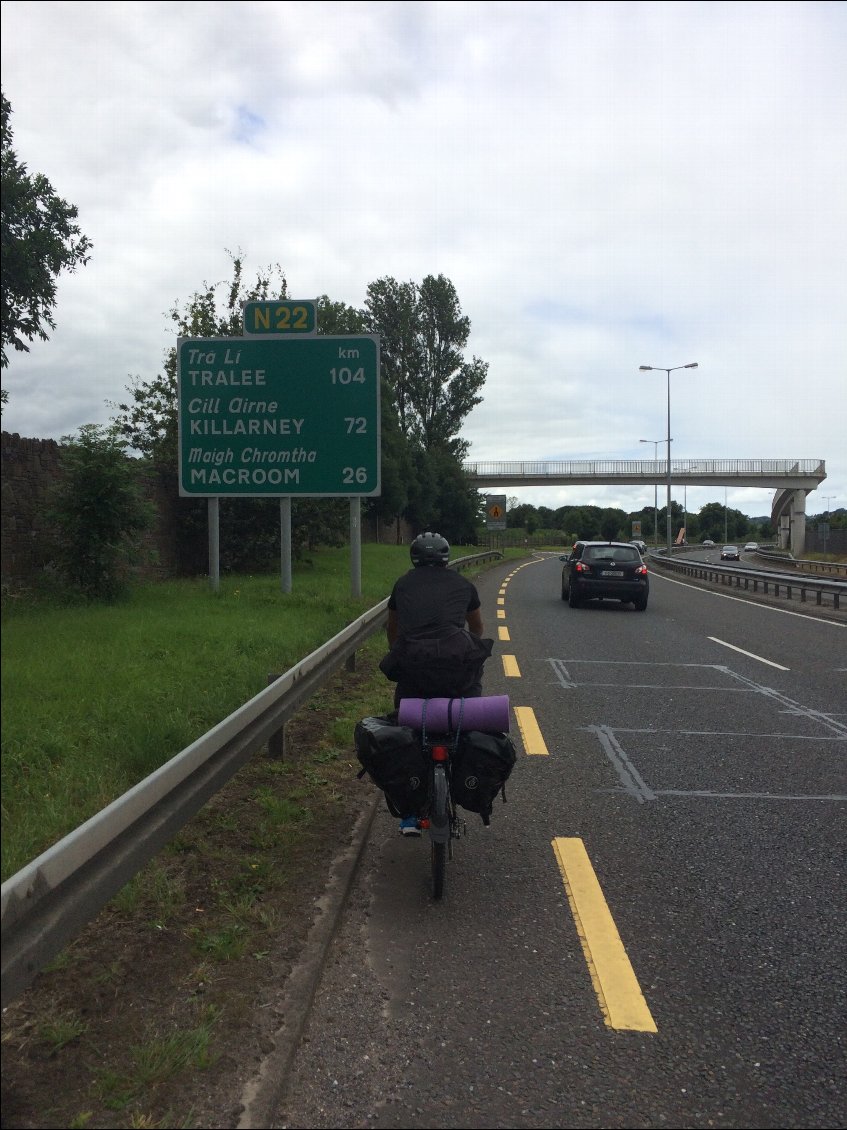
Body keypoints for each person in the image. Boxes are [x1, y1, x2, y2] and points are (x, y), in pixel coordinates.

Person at [381, 531, 492, 836]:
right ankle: (461, 770)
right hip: (456, 670)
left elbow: (393, 628)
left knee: (406, 725)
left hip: (414, 666)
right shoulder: (463, 584)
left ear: (413, 557)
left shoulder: (402, 584)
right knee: (472, 682)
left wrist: (399, 651)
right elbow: (477, 627)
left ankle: (409, 812)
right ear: (446, 557)